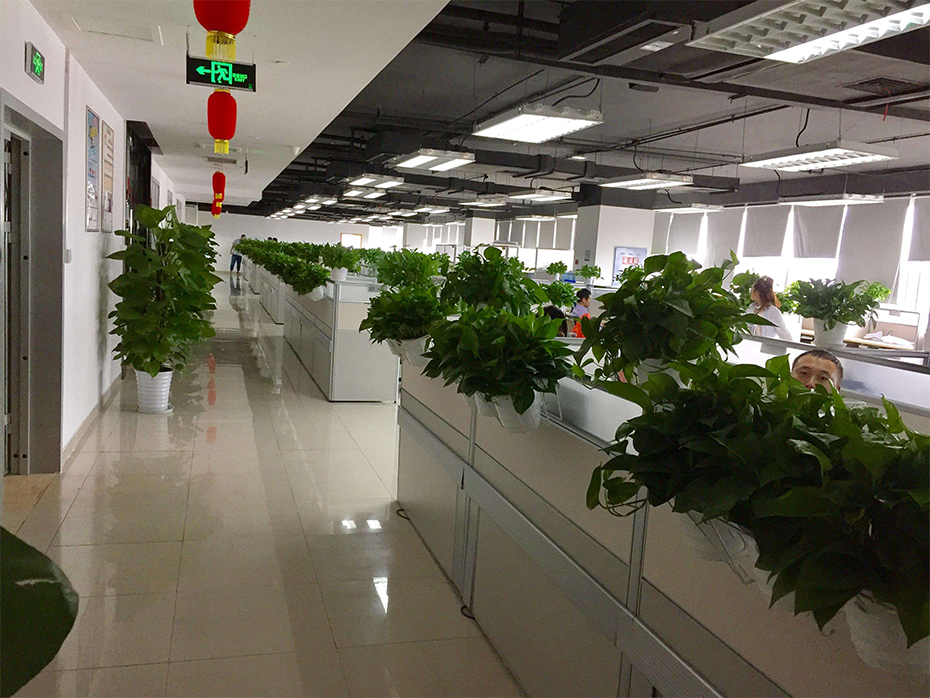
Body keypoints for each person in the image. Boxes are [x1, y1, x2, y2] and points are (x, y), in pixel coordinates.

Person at [747, 276, 793, 341]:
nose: (750, 293)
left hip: (765, 345)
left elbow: (786, 336)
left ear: (757, 293)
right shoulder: (751, 307)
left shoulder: (773, 311)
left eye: (751, 290)